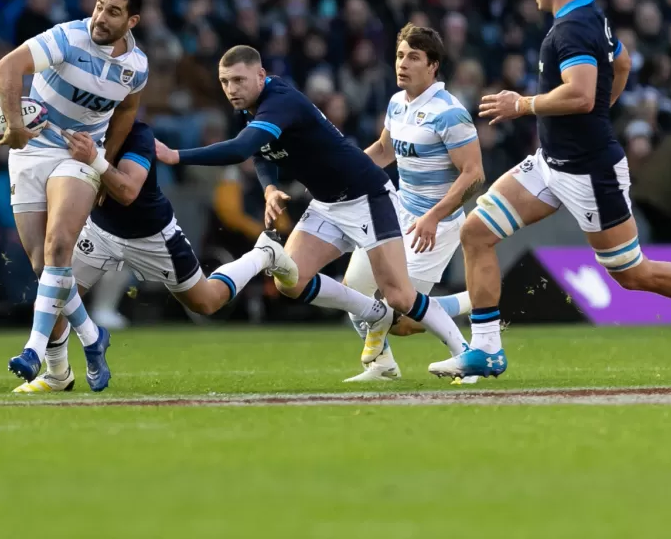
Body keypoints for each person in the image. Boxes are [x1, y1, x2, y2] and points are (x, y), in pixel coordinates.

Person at [431, 0, 671, 380]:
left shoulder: (573, 29)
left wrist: (522, 104)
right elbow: (621, 63)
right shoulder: (591, 18)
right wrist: (599, 109)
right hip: (552, 163)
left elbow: (581, 96)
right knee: (476, 233)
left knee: (632, 273)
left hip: (590, 173)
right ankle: (487, 350)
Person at [154, 46, 470, 363]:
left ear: (261, 75)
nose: (232, 89)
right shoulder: (252, 105)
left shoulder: (279, 101)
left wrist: (175, 155)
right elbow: (260, 153)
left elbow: (241, 149)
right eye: (225, 82)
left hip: (366, 196)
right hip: (327, 203)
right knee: (290, 280)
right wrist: (270, 189)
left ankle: (466, 350)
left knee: (400, 297)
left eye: (239, 80)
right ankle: (373, 315)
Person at [14, 119, 285, 392]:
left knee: (207, 303)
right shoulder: (75, 123)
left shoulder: (137, 133)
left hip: (152, 237)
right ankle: (58, 373)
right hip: (99, 231)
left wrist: (94, 160)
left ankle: (262, 254)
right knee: (54, 290)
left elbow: (128, 191)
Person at [0, 0, 147, 390]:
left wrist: (103, 161)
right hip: (29, 152)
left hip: (77, 157)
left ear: (132, 20)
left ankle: (34, 350)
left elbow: (127, 110)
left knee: (58, 246)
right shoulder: (68, 36)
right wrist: (15, 125)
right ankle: (89, 342)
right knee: (46, 268)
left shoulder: (137, 67)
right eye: (98, 6)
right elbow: (6, 68)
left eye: (113, 11)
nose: (100, 16)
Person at [344, 24, 481, 383]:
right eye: (400, 55)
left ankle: (468, 320)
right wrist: (341, 171)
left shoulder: (450, 112)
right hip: (397, 211)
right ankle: (383, 366)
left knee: (402, 317)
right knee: (353, 294)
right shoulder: (396, 103)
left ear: (433, 65)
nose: (403, 64)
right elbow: (385, 151)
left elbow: (474, 173)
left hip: (437, 222)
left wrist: (434, 217)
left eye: (414, 57)